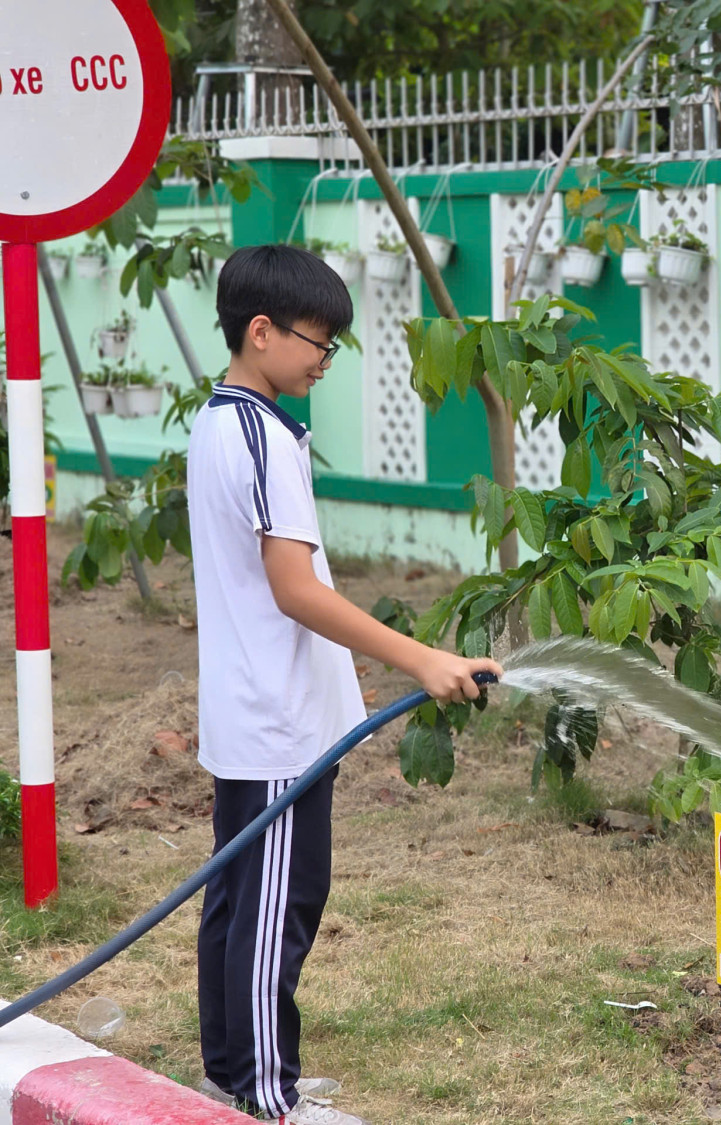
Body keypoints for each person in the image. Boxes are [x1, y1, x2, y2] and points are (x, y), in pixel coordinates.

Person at [189, 245, 502, 1124]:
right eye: (317, 343)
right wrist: (421, 658)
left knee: (243, 898)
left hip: (259, 712)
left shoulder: (231, 422)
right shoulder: (257, 436)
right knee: (275, 908)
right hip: (276, 721)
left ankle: (234, 1068)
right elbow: (296, 589)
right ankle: (263, 1091)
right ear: (261, 333)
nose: (325, 359)